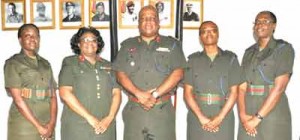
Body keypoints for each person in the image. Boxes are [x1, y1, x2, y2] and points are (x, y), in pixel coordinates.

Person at [113, 5, 187, 140]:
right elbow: (120, 74)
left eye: (152, 18)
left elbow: (178, 72)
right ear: (139, 23)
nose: (148, 21)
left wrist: (155, 94)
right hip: (135, 112)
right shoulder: (127, 45)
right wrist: (138, 94)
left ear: (158, 23)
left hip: (162, 112)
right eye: (144, 18)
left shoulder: (172, 45)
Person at [237, 11, 294, 140]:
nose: (259, 25)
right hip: (248, 110)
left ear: (274, 26)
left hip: (273, 111)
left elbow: (279, 88)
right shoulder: (248, 52)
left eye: (264, 21)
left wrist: (257, 119)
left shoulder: (283, 49)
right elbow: (241, 87)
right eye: (257, 22)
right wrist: (242, 114)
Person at [58, 26, 121, 140]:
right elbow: (65, 93)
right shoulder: (70, 62)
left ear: (98, 43)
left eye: (93, 39)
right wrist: (90, 118)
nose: (90, 42)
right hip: (78, 127)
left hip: (105, 126)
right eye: (85, 39)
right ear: (78, 44)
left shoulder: (108, 65)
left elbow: (116, 93)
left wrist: (109, 118)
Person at [184, 21, 242, 140]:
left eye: (212, 30)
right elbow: (187, 93)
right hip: (197, 116)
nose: (208, 33)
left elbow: (234, 92)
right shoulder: (192, 60)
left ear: (218, 34)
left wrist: (219, 118)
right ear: (200, 37)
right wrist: (201, 118)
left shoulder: (231, 59)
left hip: (224, 115)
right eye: (204, 31)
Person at [4, 23, 57, 140]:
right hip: (24, 124)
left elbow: (53, 96)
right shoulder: (13, 63)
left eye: (36, 36)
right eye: (28, 35)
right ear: (20, 40)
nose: (33, 39)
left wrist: (52, 124)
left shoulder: (45, 64)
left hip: (47, 122)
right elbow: (18, 100)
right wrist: (39, 127)